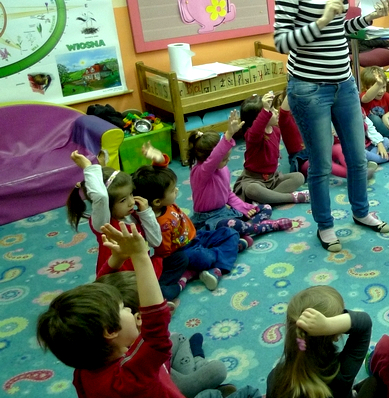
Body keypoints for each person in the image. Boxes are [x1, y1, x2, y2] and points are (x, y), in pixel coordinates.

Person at [36, 223, 264, 398]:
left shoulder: (83, 376)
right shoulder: (133, 370)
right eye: (124, 308)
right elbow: (156, 324)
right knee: (249, 395)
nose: (130, 310)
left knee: (212, 397)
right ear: (110, 331)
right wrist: (140, 256)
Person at [274, 0, 389, 253]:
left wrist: (368, 18)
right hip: (309, 88)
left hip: (344, 81)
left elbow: (340, 28)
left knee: (358, 157)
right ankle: (325, 226)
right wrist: (322, 20)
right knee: (322, 165)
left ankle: (361, 212)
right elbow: (282, 42)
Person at [265, 286, 389, 398]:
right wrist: (329, 325)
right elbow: (364, 323)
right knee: (375, 383)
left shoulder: (276, 377)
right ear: (335, 334)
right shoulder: (341, 373)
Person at [95, 270, 230, 398]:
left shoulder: (111, 342)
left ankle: (197, 368)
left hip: (165, 366)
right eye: (125, 309)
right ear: (139, 318)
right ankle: (198, 360)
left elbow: (95, 293)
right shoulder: (141, 358)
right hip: (171, 387)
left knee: (177, 338)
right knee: (217, 370)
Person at [133, 144, 241, 291]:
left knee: (230, 233)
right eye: (173, 190)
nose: (177, 190)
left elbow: (162, 178)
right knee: (206, 258)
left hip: (195, 236)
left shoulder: (163, 201)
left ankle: (199, 268)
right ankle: (216, 269)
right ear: (157, 201)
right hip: (184, 250)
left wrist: (159, 160)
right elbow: (165, 253)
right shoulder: (159, 222)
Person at [187, 108, 294, 242]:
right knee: (230, 225)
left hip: (225, 212)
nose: (228, 161)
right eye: (224, 159)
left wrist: (245, 208)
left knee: (265, 208)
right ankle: (264, 227)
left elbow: (228, 194)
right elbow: (215, 157)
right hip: (208, 219)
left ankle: (245, 232)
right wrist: (228, 135)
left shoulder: (223, 169)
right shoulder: (200, 172)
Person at [67, 151, 162, 278]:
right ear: (107, 204)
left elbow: (156, 242)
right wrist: (88, 167)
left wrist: (146, 214)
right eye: (123, 200)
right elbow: (101, 197)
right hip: (119, 278)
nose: (131, 202)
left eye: (131, 194)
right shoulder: (104, 224)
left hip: (140, 270)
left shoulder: (135, 216)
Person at [233, 91, 309, 205]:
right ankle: (290, 198)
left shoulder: (276, 130)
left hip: (273, 178)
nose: (276, 111)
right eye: (271, 110)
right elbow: (256, 131)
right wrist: (265, 110)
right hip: (254, 180)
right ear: (260, 119)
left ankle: (267, 199)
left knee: (299, 177)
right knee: (252, 190)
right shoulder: (251, 136)